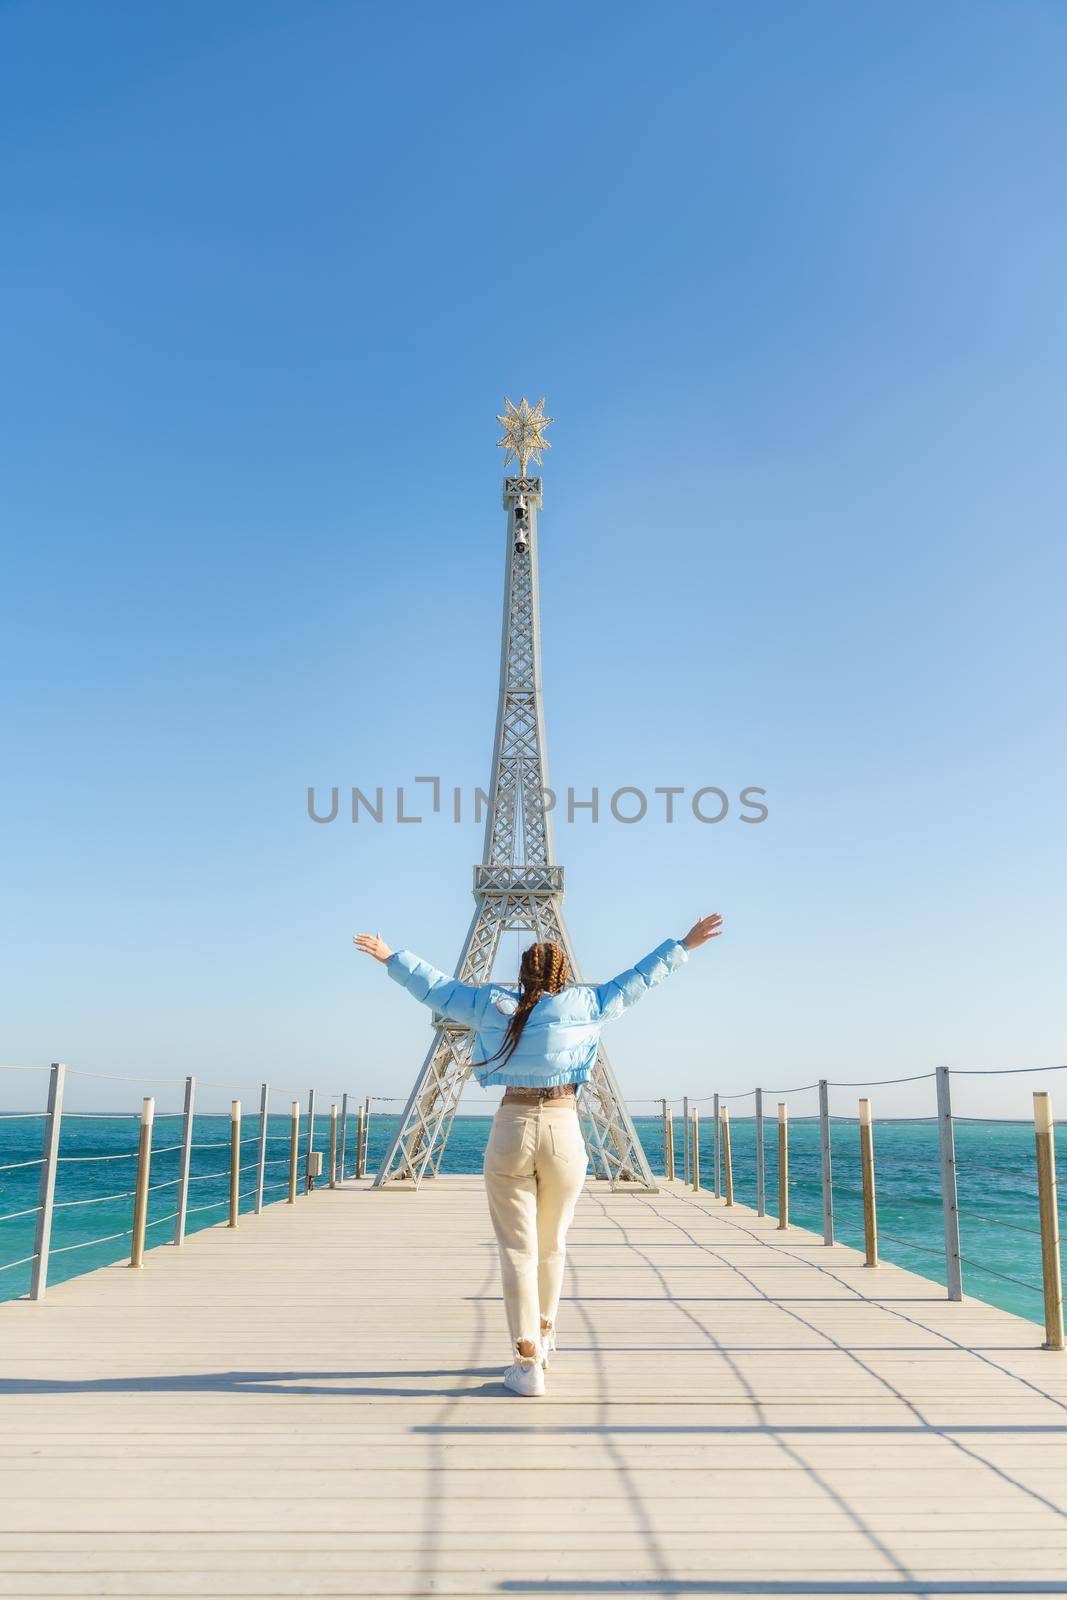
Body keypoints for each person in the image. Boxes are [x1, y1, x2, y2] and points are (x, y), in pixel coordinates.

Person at [353, 913, 723, 1396]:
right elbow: (638, 980)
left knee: (517, 1250)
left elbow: (438, 989)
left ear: (522, 973)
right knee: (554, 1245)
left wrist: (392, 957)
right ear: (563, 974)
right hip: (564, 1129)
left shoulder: (492, 1005)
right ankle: (545, 1337)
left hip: (512, 1125)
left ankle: (526, 1361)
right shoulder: (587, 1003)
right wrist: (685, 944)